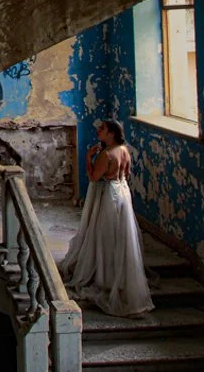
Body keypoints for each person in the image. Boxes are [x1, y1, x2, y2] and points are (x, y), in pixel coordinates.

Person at [58, 120, 155, 317]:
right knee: (121, 235)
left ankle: (105, 276)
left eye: (102, 129)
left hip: (109, 193)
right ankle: (118, 276)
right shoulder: (124, 150)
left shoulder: (107, 154)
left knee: (104, 234)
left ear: (111, 133)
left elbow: (94, 177)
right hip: (122, 192)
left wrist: (88, 157)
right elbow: (125, 174)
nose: (98, 131)